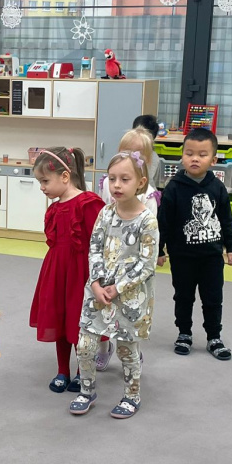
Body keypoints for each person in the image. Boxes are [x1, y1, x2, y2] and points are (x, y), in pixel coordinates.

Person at [70, 149, 159, 420]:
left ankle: (132, 396)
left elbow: (147, 263)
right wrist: (97, 283)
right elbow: (94, 248)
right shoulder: (105, 213)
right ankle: (87, 391)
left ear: (140, 183)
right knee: (85, 345)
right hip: (98, 292)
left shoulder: (147, 220)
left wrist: (118, 287)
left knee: (126, 349)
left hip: (129, 297)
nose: (117, 185)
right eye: (112, 179)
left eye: (124, 179)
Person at [156, 127, 232, 361]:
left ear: (213, 160)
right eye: (189, 153)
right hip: (182, 257)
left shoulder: (217, 187)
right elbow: (163, 221)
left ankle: (214, 337)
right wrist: (159, 249)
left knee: (213, 298)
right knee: (183, 297)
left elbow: (226, 219)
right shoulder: (173, 187)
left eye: (202, 155)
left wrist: (231, 247)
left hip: (211, 257)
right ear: (182, 156)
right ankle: (184, 333)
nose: (194, 159)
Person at [28, 147, 105, 393]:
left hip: (81, 274)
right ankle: (63, 370)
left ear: (64, 176)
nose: (42, 187)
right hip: (56, 272)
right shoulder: (53, 209)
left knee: (80, 321)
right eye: (39, 182)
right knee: (59, 319)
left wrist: (100, 277)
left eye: (45, 181)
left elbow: (100, 243)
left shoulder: (88, 203)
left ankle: (84, 371)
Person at [96, 128, 157, 371]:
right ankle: (104, 348)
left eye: (136, 153)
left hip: (133, 266)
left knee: (130, 313)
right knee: (102, 308)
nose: (130, 156)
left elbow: (150, 233)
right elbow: (103, 215)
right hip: (109, 259)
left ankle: (132, 349)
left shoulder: (149, 195)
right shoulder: (108, 184)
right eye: (125, 151)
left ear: (146, 160)